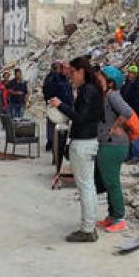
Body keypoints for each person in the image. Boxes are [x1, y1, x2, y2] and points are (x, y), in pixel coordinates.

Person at [48, 56, 104, 243]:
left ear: (81, 71)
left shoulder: (88, 91)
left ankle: (87, 229)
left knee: (85, 186)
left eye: (72, 72)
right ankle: (90, 226)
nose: (71, 76)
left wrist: (61, 106)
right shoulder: (91, 89)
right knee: (88, 185)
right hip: (87, 141)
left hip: (83, 143)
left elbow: (80, 117)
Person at [95, 66, 133, 234]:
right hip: (108, 144)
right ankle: (111, 216)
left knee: (112, 182)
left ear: (110, 83)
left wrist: (115, 126)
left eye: (101, 78)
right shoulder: (105, 96)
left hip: (114, 145)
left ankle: (119, 218)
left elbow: (127, 111)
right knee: (107, 181)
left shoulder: (112, 95)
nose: (97, 80)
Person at [43, 61, 73, 152]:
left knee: (55, 130)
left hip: (59, 107)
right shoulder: (55, 79)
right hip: (58, 107)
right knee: (57, 130)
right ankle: (55, 149)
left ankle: (54, 147)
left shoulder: (60, 79)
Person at [120, 64, 139, 163]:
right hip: (127, 112)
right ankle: (128, 155)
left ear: (136, 74)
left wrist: (134, 113)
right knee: (127, 134)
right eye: (130, 73)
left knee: (136, 133)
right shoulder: (127, 82)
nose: (130, 75)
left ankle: (136, 156)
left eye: (133, 73)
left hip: (136, 113)